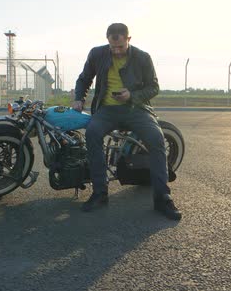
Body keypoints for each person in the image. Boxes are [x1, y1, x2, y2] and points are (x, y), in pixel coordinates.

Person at [72, 23, 182, 220]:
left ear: (128, 39)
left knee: (156, 139)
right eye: (113, 47)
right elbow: (84, 79)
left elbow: (153, 87)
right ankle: (100, 192)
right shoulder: (97, 54)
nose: (116, 51)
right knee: (92, 133)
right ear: (108, 40)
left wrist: (131, 95)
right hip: (106, 110)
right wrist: (79, 98)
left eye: (121, 47)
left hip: (136, 108)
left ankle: (163, 198)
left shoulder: (142, 57)